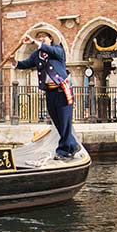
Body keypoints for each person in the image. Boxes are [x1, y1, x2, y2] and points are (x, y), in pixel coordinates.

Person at [15, 30, 80, 159]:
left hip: (62, 90)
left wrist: (34, 42)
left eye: (44, 36)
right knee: (56, 120)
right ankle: (72, 145)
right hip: (50, 91)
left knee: (64, 120)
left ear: (50, 39)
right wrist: (13, 62)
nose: (41, 38)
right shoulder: (37, 55)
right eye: (39, 37)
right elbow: (25, 64)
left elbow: (53, 52)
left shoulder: (58, 50)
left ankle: (64, 150)